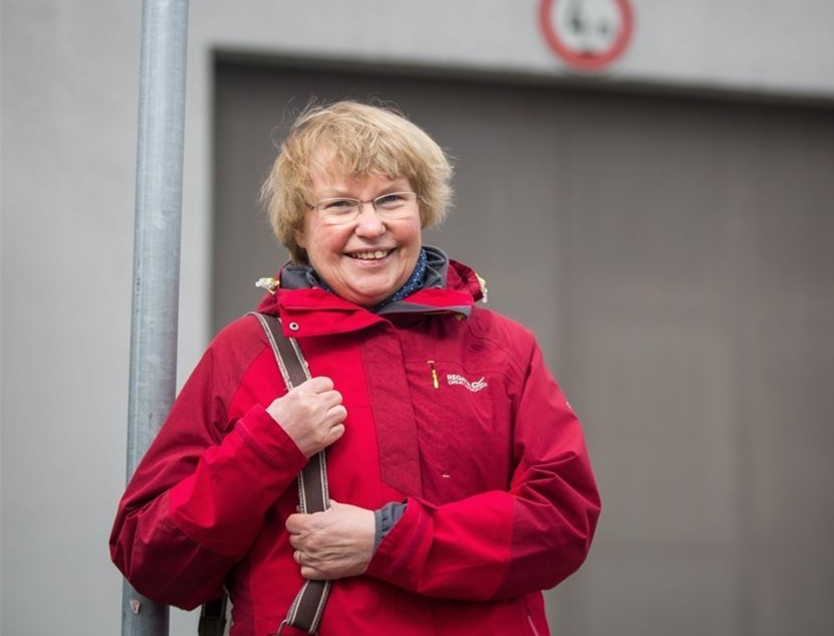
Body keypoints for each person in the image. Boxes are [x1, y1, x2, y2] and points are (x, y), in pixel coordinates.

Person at [110, 100, 601, 636]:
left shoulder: (503, 350)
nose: (371, 227)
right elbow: (154, 562)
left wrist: (384, 540)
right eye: (339, 205)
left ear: (423, 209)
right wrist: (266, 447)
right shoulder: (248, 352)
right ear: (300, 227)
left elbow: (562, 525)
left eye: (391, 199)